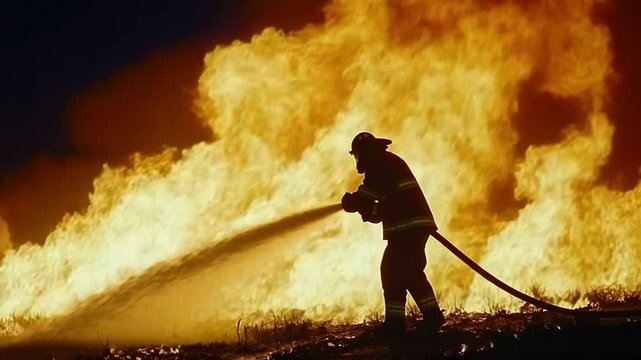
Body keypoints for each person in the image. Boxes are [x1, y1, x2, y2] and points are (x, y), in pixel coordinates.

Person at [341, 132, 445, 338]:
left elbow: (368, 194)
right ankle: (397, 322)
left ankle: (424, 318)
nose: (358, 160)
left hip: (409, 227)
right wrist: (368, 211)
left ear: (364, 152)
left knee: (403, 271)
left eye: (358, 155)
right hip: (408, 227)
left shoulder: (379, 162)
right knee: (396, 271)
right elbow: (387, 204)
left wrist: (353, 201)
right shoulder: (386, 162)